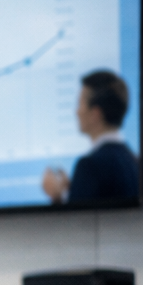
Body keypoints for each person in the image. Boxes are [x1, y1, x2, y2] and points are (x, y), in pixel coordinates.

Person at [42, 69, 139, 205]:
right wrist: (77, 189)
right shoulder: (135, 162)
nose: (77, 111)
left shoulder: (89, 166)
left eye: (80, 103)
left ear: (95, 114)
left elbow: (77, 224)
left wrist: (57, 198)